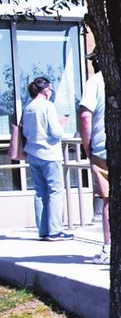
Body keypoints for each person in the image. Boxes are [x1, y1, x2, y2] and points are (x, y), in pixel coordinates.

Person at [21, 77, 73, 242]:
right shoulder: (48, 106)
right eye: (50, 89)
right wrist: (62, 123)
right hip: (49, 153)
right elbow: (56, 133)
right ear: (45, 90)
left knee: (40, 192)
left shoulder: (27, 107)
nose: (51, 92)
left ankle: (43, 230)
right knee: (55, 191)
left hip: (32, 153)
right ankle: (55, 230)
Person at [79, 52, 110, 263]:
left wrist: (87, 146)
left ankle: (109, 248)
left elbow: (85, 116)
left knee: (109, 201)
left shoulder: (95, 81)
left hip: (103, 148)